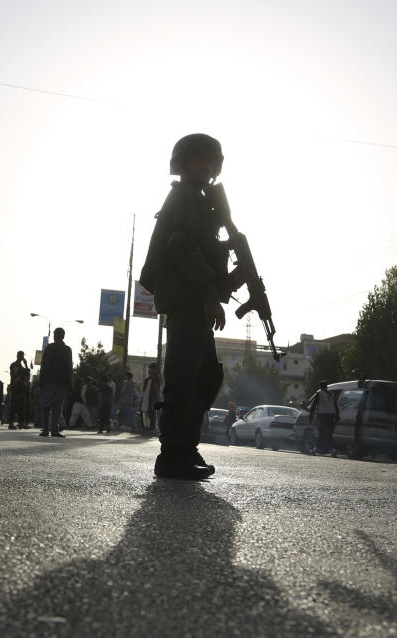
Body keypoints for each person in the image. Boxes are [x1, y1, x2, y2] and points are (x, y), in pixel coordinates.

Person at [138, 133, 245, 479]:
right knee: (183, 375)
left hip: (195, 298)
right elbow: (181, 247)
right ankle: (172, 454)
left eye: (212, 161)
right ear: (183, 163)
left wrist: (230, 282)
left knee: (207, 374)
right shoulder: (184, 195)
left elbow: (199, 250)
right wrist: (210, 295)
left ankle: (185, 445)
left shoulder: (200, 201)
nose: (208, 166)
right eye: (200, 159)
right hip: (187, 299)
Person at [38, 327, 73, 437]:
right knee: (57, 408)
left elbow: (43, 365)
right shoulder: (67, 349)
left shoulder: (49, 348)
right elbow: (69, 367)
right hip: (61, 383)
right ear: (63, 336)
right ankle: (54, 430)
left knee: (46, 406)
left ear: (54, 336)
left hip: (48, 382)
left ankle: (45, 430)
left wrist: (41, 381)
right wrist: (70, 383)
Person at [307, 380, 338, 456]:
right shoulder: (331, 394)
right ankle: (332, 449)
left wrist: (311, 415)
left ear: (320, 387)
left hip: (323, 415)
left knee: (322, 432)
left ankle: (316, 448)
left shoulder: (319, 393)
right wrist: (337, 415)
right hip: (331, 415)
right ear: (326, 386)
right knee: (329, 433)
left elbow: (314, 405)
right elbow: (335, 405)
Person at [8, 351, 30, 427]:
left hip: (22, 388)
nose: (22, 357)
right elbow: (14, 375)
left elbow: (27, 373)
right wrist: (22, 381)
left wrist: (26, 364)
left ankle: (21, 423)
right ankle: (11, 423)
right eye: (21, 355)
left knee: (21, 406)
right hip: (15, 387)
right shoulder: (14, 365)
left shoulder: (21, 366)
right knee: (14, 405)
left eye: (22, 356)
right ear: (17, 356)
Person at [141, 362, 163, 434]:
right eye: (149, 369)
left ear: (155, 370)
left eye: (151, 369)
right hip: (146, 398)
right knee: (145, 411)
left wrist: (157, 397)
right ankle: (146, 427)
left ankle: (152, 427)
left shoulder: (156, 378)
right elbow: (144, 389)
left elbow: (157, 388)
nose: (149, 370)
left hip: (152, 398)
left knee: (152, 412)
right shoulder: (147, 379)